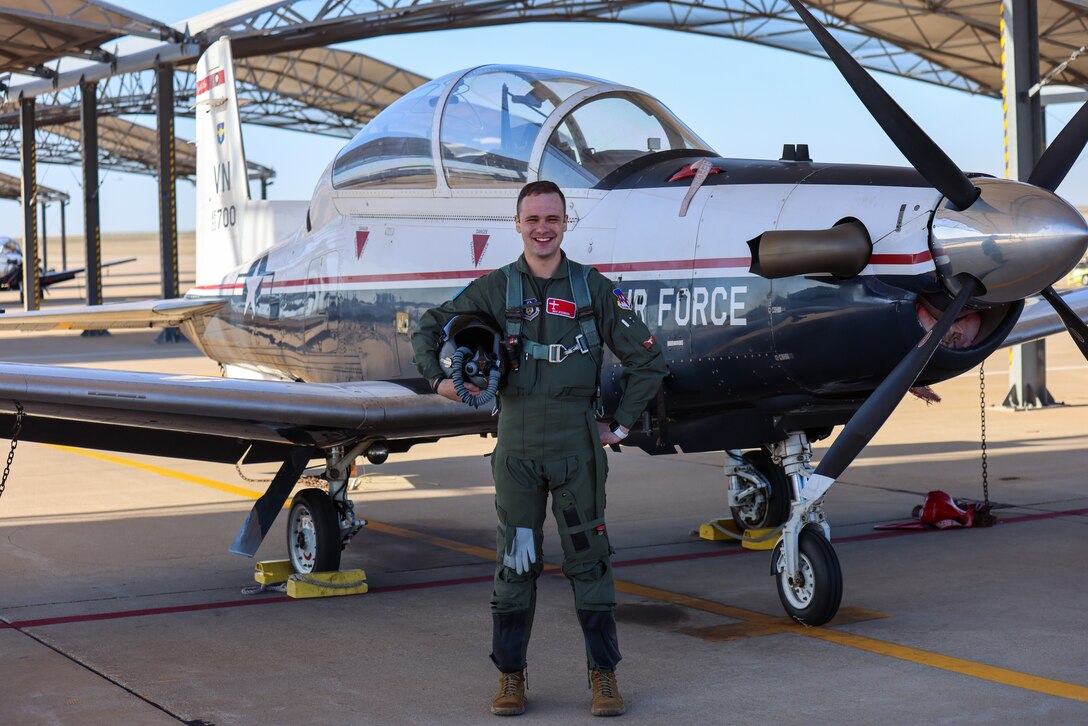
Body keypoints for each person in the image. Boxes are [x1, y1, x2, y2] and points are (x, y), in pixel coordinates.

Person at [412, 180, 667, 717]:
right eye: (532, 219)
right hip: (519, 448)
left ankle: (603, 676)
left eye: (551, 219)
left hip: (578, 449)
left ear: (565, 222)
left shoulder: (593, 289)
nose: (542, 228)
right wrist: (440, 381)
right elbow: (430, 325)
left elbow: (649, 361)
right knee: (515, 562)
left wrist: (618, 427)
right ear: (518, 223)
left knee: (589, 562)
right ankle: (511, 677)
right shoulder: (496, 288)